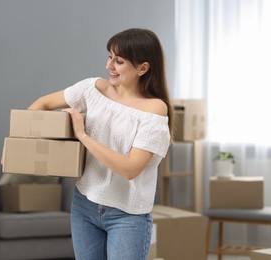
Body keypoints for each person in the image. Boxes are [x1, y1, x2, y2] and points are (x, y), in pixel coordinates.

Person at [28, 28, 173, 260]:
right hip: (85, 204)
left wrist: (83, 136)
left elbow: (130, 169)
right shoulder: (92, 89)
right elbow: (41, 105)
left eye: (119, 61)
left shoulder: (154, 109)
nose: (109, 66)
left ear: (142, 68)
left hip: (128, 215)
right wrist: (21, 147)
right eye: (109, 57)